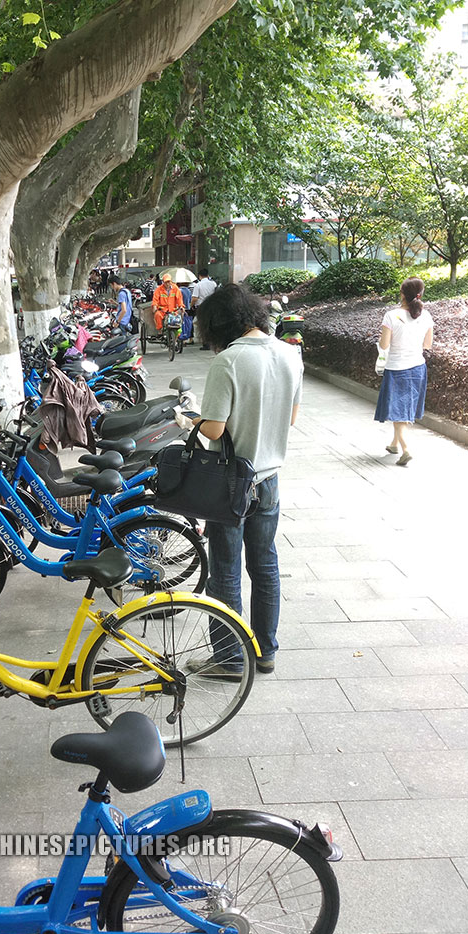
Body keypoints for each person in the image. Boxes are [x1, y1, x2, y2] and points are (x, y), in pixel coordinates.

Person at [183, 284, 303, 677]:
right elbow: (290, 419)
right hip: (269, 481)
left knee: (225, 570)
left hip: (231, 483)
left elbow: (215, 431)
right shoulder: (289, 353)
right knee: (265, 564)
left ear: (217, 324)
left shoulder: (228, 362)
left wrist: (190, 418)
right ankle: (265, 651)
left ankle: (230, 659)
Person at [374, 276, 433, 466]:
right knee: (404, 407)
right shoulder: (426, 316)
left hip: (397, 369)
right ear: (420, 294)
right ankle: (394, 444)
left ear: (402, 294)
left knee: (399, 410)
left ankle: (406, 449)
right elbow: (428, 345)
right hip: (418, 368)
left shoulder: (392, 316)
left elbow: (384, 345)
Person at [191, 268, 218, 349]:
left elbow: (195, 298)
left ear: (199, 276)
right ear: (207, 275)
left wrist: (191, 305)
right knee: (211, 324)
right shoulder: (213, 284)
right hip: (212, 306)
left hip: (201, 307)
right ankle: (213, 342)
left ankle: (205, 343)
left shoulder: (198, 285)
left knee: (203, 325)